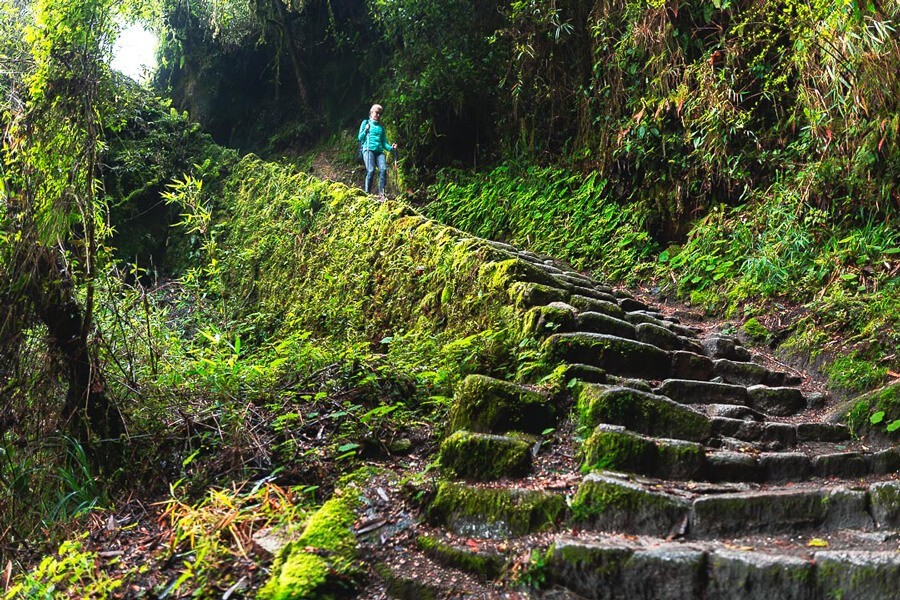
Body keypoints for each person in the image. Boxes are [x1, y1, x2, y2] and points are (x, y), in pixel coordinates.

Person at [358, 104, 397, 197]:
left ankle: (381, 194)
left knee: (383, 169)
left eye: (380, 113)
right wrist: (365, 130)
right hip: (368, 150)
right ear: (371, 112)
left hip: (379, 152)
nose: (378, 115)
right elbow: (360, 137)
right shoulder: (365, 123)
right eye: (376, 113)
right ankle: (367, 194)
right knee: (371, 170)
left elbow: (384, 143)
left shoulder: (381, 128)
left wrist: (391, 148)